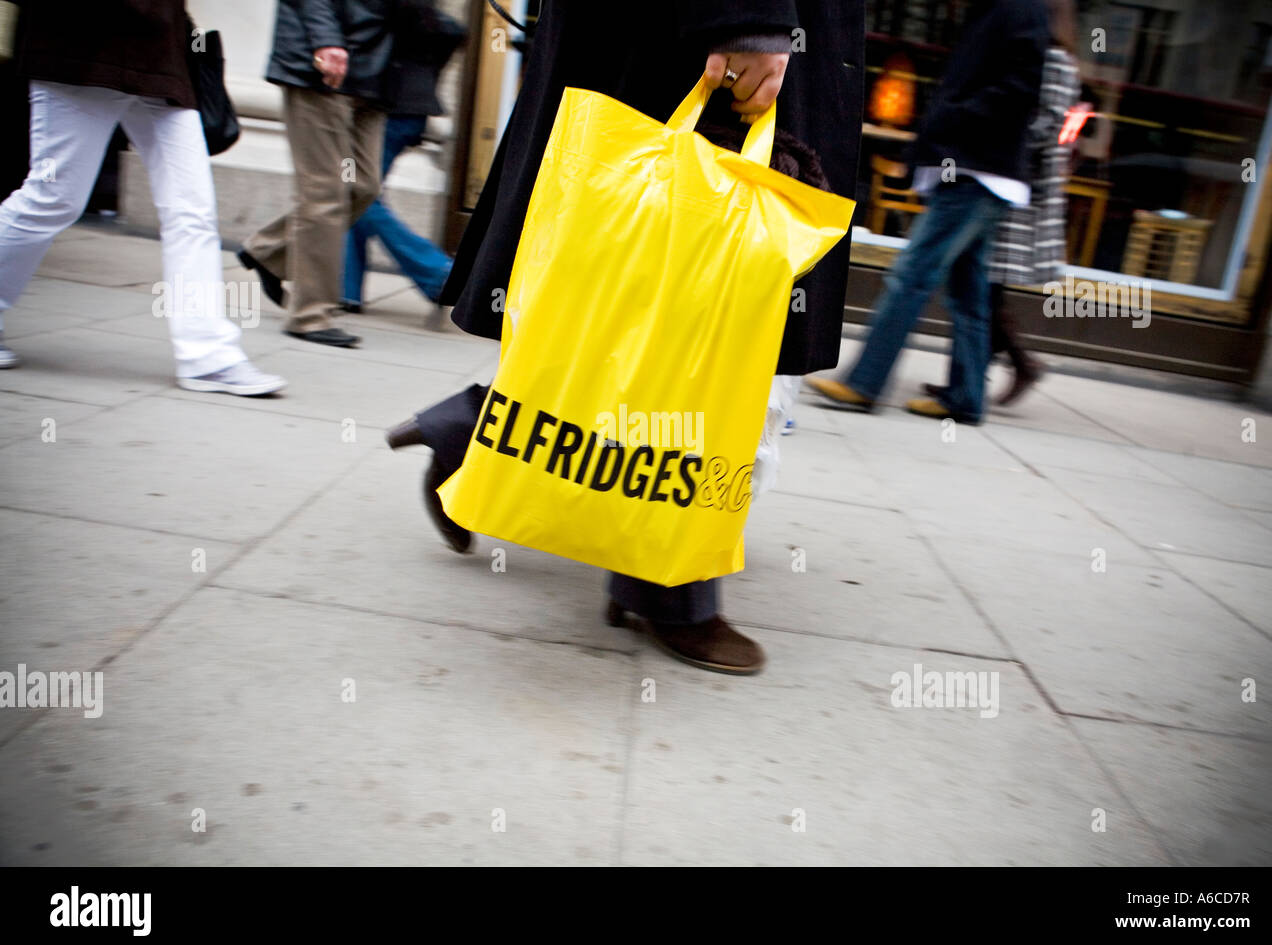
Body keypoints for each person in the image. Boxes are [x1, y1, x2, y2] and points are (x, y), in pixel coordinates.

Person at [385, 0, 865, 675]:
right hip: (699, 40)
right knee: (702, 330)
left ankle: (478, 428)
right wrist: (748, 19)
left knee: (638, 316)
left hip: (677, 37)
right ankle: (668, 582)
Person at [0, 0, 285, 394]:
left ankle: (208, 357)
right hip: (82, 56)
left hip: (163, 64)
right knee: (54, 199)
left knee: (192, 210)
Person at [807, 0, 1049, 425]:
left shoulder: (1018, 8)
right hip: (977, 168)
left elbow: (1020, 88)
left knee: (912, 276)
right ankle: (966, 397)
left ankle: (864, 384)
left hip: (977, 168)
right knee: (969, 294)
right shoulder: (1002, 10)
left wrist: (951, 119)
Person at [925, 0, 1081, 407]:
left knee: (983, 288)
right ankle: (972, 382)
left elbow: (1047, 125)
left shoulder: (1058, 62)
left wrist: (1000, 139)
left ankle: (1006, 369)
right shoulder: (1032, 51)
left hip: (1020, 188)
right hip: (1004, 178)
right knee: (979, 284)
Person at [236, 0, 393, 349]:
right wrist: (325, 40)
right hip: (321, 66)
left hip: (371, 76)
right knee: (325, 192)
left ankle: (268, 250)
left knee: (360, 186)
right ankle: (309, 316)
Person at [340, 1, 464, 314]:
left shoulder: (403, 12)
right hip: (408, 112)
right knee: (354, 193)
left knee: (361, 194)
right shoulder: (434, 22)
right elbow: (454, 32)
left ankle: (438, 270)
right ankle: (346, 290)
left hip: (387, 112)